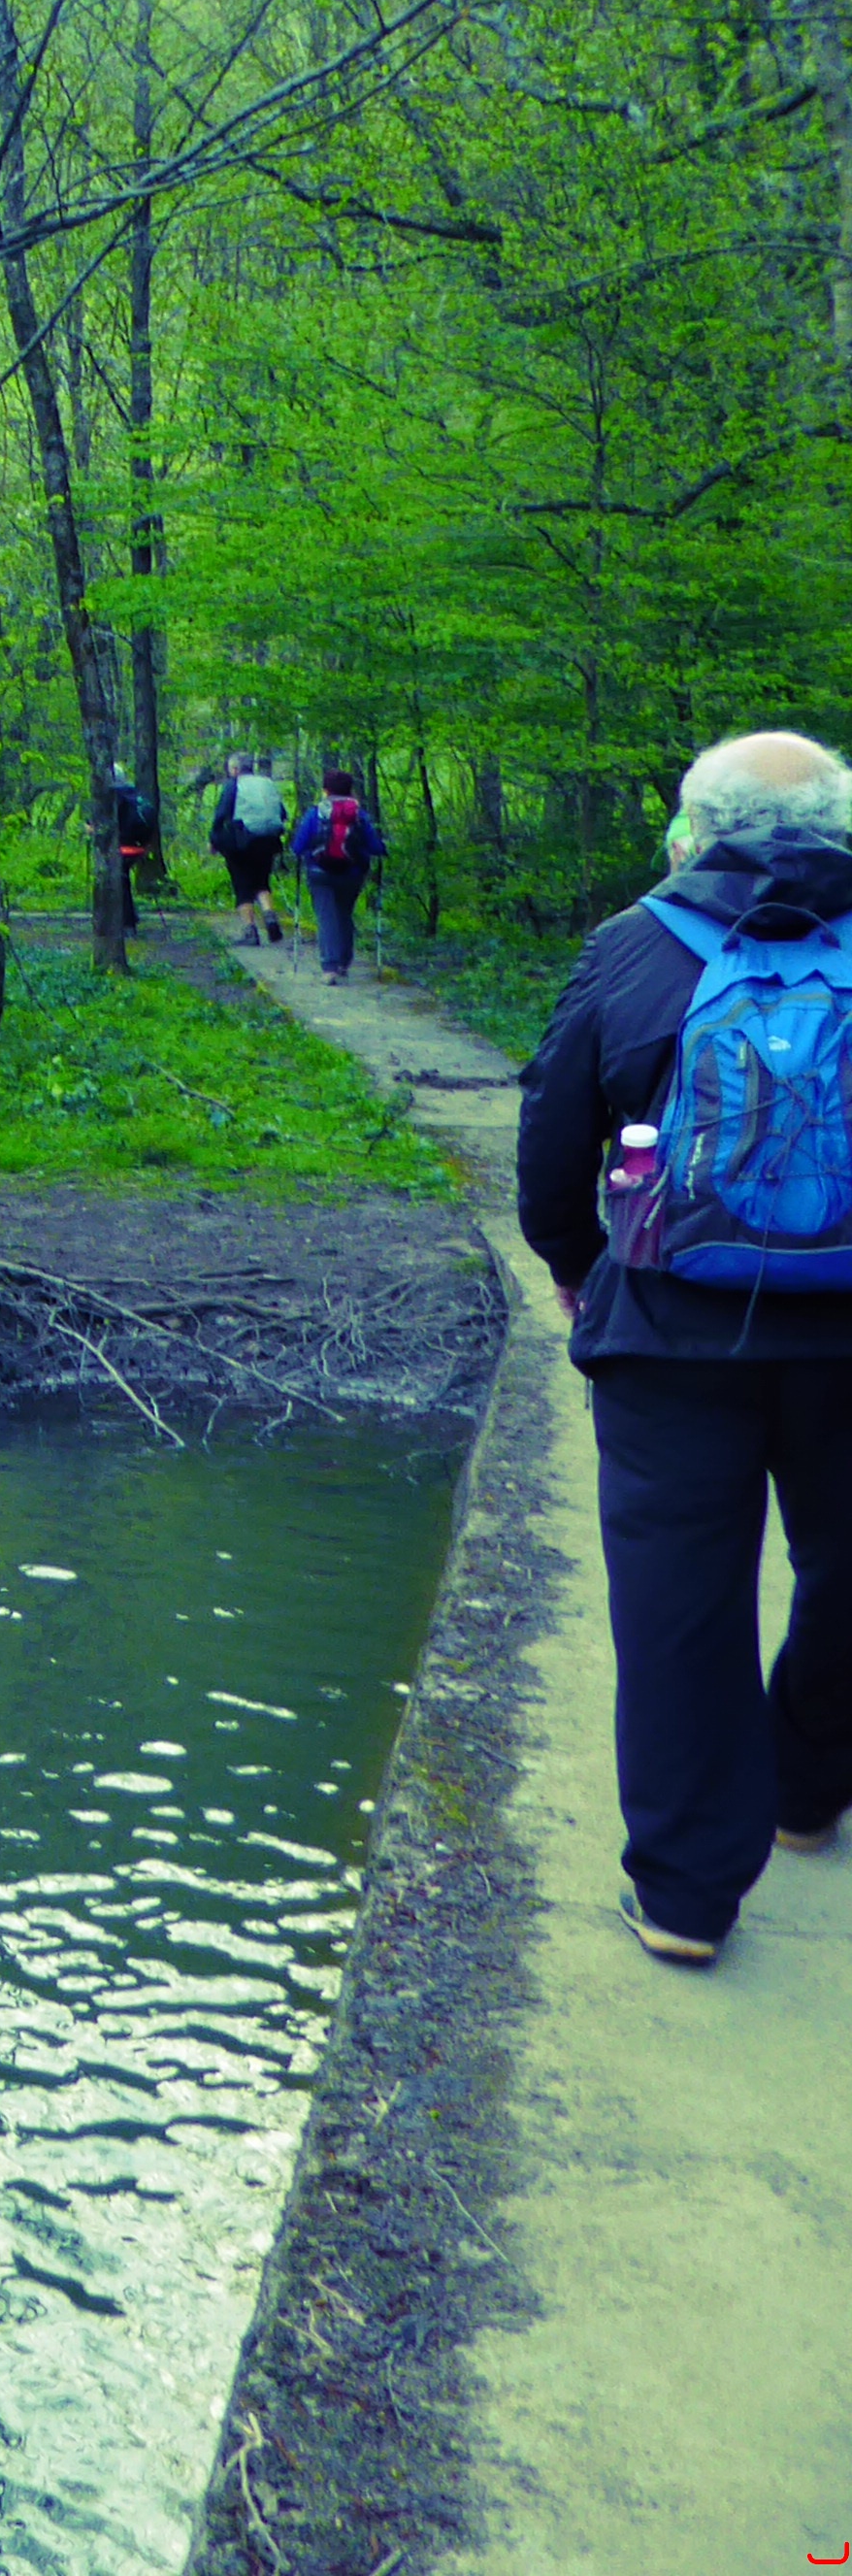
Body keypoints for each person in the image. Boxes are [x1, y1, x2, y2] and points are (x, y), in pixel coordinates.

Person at [514, 729, 852, 1966]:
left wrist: (575, 1266)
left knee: (679, 1608)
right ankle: (807, 1789)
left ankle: (684, 1899)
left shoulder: (633, 944)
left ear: (692, 828)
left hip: (666, 1330)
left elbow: (551, 1137)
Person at [289, 766, 387, 985]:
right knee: (344, 913)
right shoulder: (359, 815)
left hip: (320, 872)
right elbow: (375, 847)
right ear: (350, 790)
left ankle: (330, 967)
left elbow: (298, 847)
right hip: (352, 873)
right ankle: (343, 962)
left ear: (325, 790)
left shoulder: (315, 813)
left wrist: (305, 853)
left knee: (326, 917)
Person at [208, 754, 289, 946]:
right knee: (262, 882)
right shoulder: (267, 783)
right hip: (268, 840)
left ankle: (250, 931)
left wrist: (214, 840)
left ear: (235, 769)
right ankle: (269, 915)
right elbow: (282, 813)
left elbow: (221, 815)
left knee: (242, 885)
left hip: (241, 842)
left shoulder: (234, 785)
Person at [106, 763, 158, 933]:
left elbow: (105, 825)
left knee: (118, 882)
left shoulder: (114, 797)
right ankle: (129, 919)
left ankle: (126, 922)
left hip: (124, 847)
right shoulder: (135, 794)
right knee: (123, 880)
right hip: (140, 846)